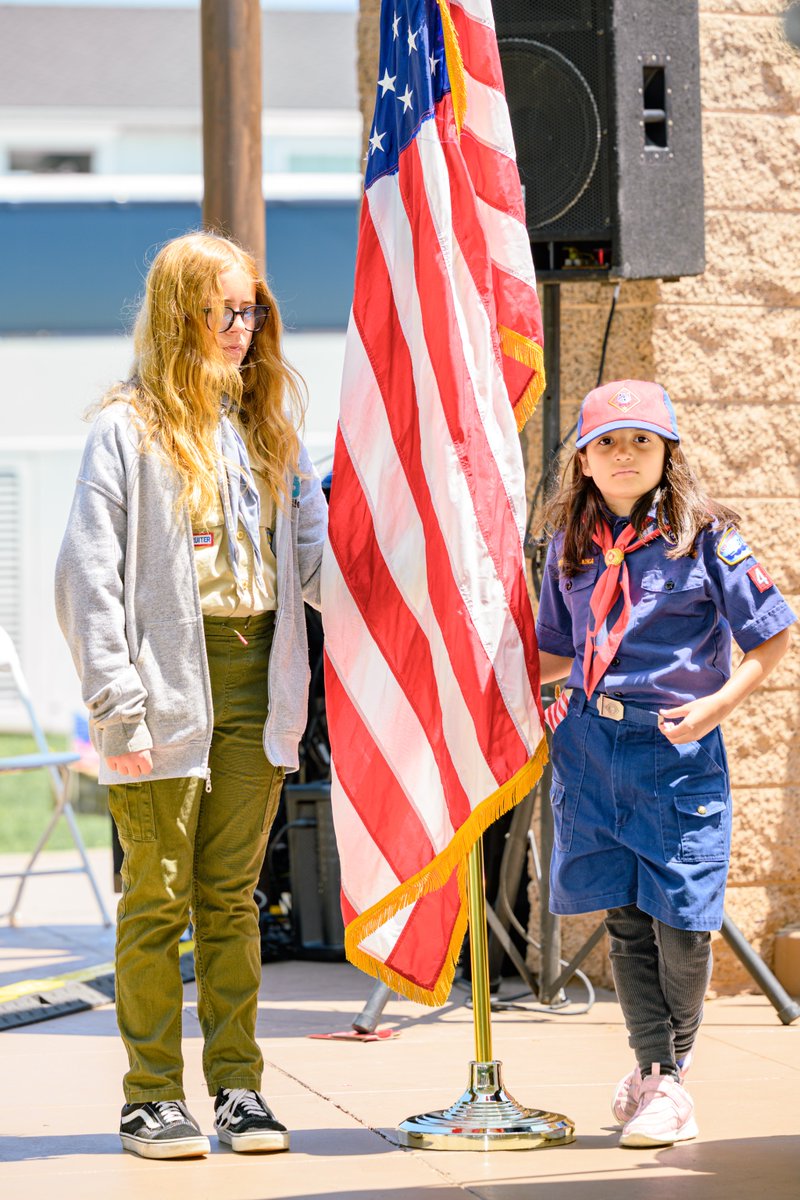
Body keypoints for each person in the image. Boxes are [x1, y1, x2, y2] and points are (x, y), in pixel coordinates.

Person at [55, 231, 328, 1159]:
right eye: (226, 308)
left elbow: (314, 565)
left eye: (253, 308)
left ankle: (240, 1090)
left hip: (260, 679)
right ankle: (149, 1099)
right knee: (157, 894)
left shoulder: (269, 427)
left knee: (232, 897)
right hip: (165, 688)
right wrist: (117, 705)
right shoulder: (125, 429)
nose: (244, 326)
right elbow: (87, 578)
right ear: (182, 313)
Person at [535, 379, 794, 1149]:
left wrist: (718, 707)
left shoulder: (705, 533)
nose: (623, 455)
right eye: (607, 442)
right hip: (589, 744)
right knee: (623, 916)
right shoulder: (568, 545)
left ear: (666, 452)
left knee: (683, 923)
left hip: (676, 748)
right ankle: (658, 1075)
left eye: (640, 441)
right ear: (583, 459)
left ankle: (665, 1073)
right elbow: (552, 649)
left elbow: (772, 636)